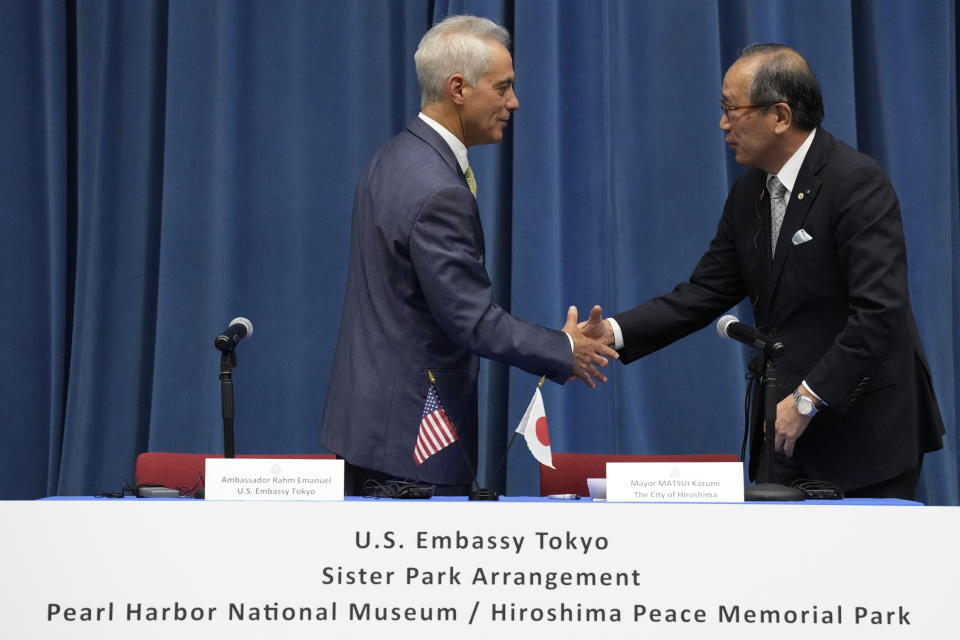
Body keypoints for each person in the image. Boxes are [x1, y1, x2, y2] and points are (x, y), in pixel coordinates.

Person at [585, 44, 944, 499]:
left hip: (864, 429)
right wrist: (610, 334)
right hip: (785, 433)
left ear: (779, 115)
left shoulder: (855, 183)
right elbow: (704, 292)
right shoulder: (749, 193)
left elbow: (879, 311)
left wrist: (807, 398)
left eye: (731, 109)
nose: (722, 124)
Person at [321, 15, 617, 496]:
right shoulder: (439, 188)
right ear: (458, 87)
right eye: (503, 88)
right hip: (412, 440)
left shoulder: (393, 157)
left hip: (370, 427)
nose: (513, 103)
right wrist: (565, 348)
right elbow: (472, 321)